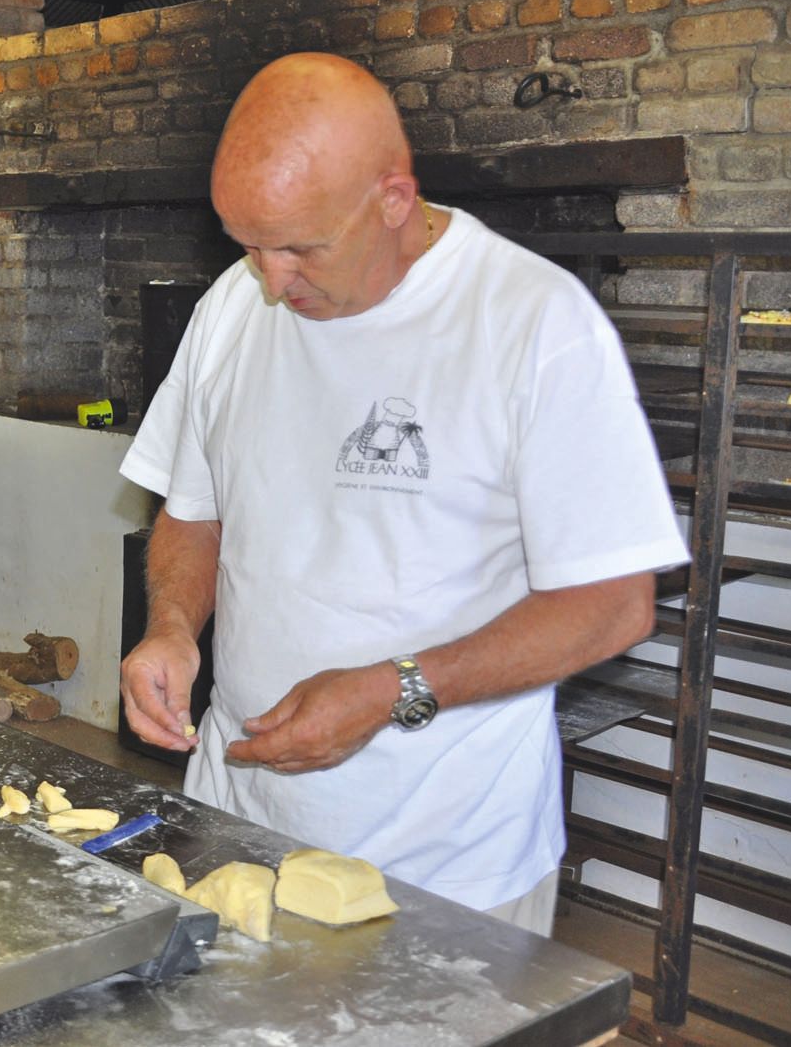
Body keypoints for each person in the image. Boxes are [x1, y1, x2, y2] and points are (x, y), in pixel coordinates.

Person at [117, 53, 685, 936]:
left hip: (448, 861)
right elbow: (196, 512)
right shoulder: (232, 306)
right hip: (239, 823)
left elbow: (612, 604)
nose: (271, 279)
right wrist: (171, 628)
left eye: (301, 247)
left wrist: (395, 688)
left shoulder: (532, 320)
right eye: (248, 244)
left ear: (391, 199)